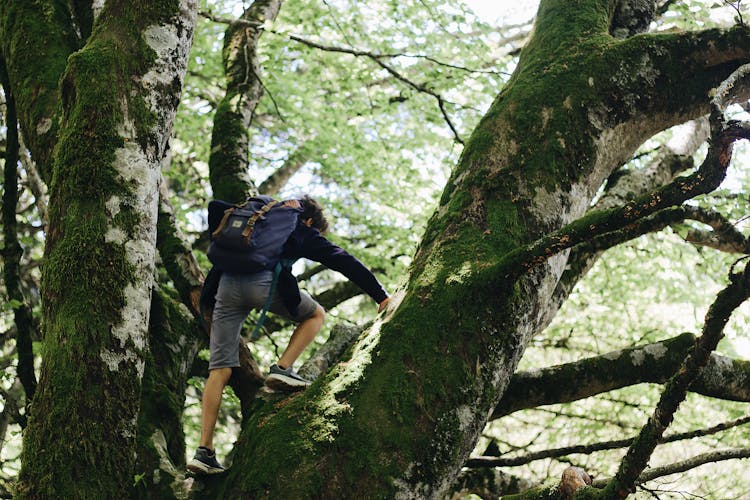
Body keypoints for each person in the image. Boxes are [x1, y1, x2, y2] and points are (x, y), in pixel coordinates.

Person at [187, 195, 390, 475]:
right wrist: (381, 296)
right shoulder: (301, 228)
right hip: (261, 283)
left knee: (219, 370)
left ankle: (204, 452)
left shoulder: (260, 217)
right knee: (315, 314)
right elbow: (343, 261)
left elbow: (215, 208)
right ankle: (282, 368)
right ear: (309, 221)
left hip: (226, 289)